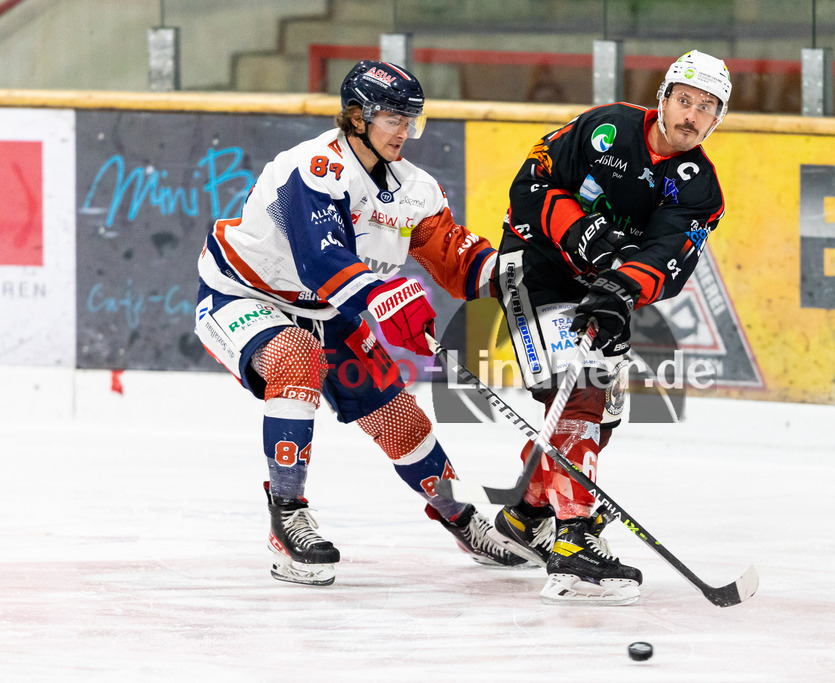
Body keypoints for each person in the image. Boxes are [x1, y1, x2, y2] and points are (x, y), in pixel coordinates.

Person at [193, 60, 529, 586]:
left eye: (410, 120)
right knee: (295, 357)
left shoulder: (415, 189)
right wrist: (381, 297)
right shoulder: (314, 167)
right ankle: (286, 516)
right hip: (243, 295)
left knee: (400, 420)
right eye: (393, 119)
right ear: (356, 116)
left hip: (328, 310)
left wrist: (526, 276)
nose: (403, 131)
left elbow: (458, 260)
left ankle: (461, 517)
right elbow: (320, 259)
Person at [487, 50, 730, 604]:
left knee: (605, 412)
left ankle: (527, 515)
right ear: (663, 97)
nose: (692, 115)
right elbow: (529, 186)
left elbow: (669, 259)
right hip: (532, 269)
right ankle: (572, 540)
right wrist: (580, 230)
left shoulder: (699, 187)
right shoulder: (608, 128)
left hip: (599, 289)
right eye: (685, 100)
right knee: (581, 392)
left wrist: (622, 288)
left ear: (717, 120)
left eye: (706, 108)